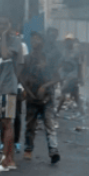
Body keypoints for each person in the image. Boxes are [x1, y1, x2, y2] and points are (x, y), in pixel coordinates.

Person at [0, 18, 23, 170]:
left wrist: (2, 36)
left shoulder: (14, 41)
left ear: (9, 26)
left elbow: (6, 55)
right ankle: (4, 157)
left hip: (8, 87)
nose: (1, 28)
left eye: (4, 25)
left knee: (7, 122)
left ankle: (9, 159)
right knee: (2, 123)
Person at [21, 31, 60, 165]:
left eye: (37, 39)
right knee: (30, 125)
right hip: (32, 98)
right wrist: (28, 93)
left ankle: (53, 150)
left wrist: (44, 87)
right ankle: (28, 148)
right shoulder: (26, 59)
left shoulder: (48, 60)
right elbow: (21, 78)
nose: (34, 42)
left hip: (47, 97)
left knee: (49, 125)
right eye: (32, 39)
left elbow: (57, 77)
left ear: (42, 43)